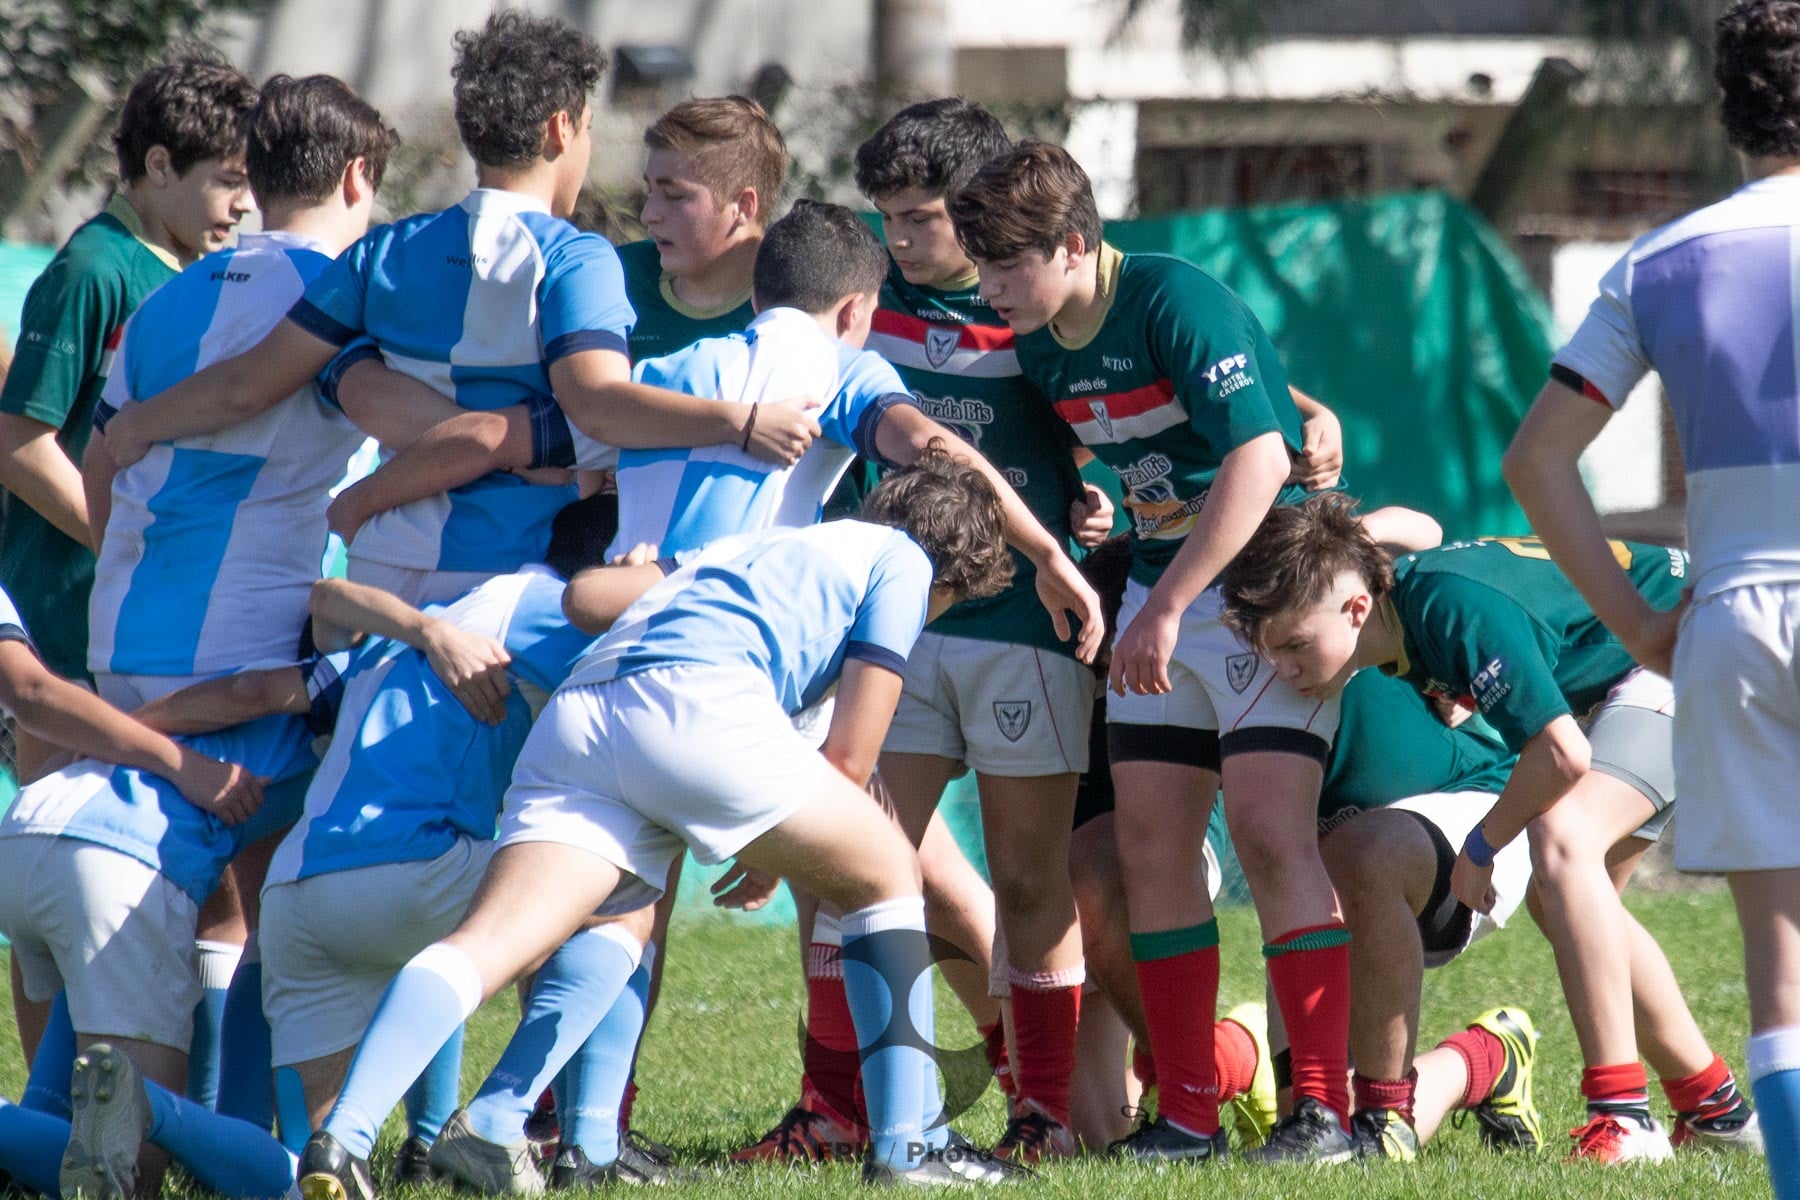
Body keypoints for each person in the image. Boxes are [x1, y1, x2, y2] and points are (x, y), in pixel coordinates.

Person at [297, 449, 1025, 1195]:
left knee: (559, 929)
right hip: (695, 704)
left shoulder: (766, 544)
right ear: (954, 574)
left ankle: (379, 1135)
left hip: (586, 711)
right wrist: (784, 853)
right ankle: (911, 1146)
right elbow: (849, 760)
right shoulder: (903, 560)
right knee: (887, 868)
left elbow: (597, 600)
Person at [99, 12, 820, 607]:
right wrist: (739, 422)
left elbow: (245, 385)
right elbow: (598, 407)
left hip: (383, 562)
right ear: (562, 129)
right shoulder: (577, 257)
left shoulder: (383, 252)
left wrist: (137, 422)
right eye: (592, 128)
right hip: (507, 580)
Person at [948, 140, 1353, 1163]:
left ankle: (1324, 1113)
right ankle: (1186, 1117)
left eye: (1007, 265)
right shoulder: (1041, 341)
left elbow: (1259, 455)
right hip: (1161, 600)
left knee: (1270, 836)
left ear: (1076, 245)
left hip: (1264, 591)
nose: (991, 288)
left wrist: (1167, 601)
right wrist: (1090, 491)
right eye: (982, 266)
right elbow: (1119, 437)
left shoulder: (1174, 296)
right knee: (1147, 850)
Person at [1220, 493, 1760, 1163]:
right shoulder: (1399, 606)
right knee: (1565, 896)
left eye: (1296, 645)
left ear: (1356, 608)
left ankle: (1624, 1117)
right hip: (1680, 643)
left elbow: (1562, 754)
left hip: (1703, 636)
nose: (1285, 668)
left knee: (1563, 844)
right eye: (1273, 652)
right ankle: (1717, 1108)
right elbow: (1417, 531)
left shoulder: (1444, 604)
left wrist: (1480, 848)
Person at [1501, 3, 1800, 1194]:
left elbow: (1536, 461)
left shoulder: (1662, 259)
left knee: (1780, 971)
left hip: (1734, 622)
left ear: (1725, 106)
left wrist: (1637, 627)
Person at [0, 50, 255, 772]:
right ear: (161, 164)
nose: (243, 205)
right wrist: (121, 541)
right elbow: (18, 441)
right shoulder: (96, 268)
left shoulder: (208, 274)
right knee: (54, 837)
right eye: (228, 182)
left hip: (157, 624)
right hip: (65, 626)